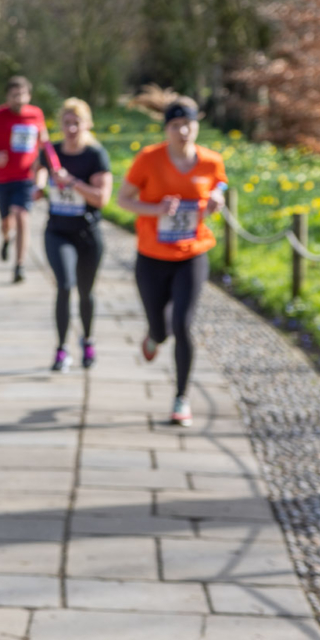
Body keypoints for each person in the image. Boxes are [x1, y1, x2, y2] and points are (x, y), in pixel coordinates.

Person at [117, 97, 226, 427]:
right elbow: (123, 199)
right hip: (151, 256)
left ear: (196, 126)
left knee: (182, 324)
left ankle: (181, 398)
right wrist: (158, 210)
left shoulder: (210, 160)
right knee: (161, 330)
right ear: (166, 129)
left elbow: (219, 181)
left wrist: (218, 197)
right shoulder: (149, 159)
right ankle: (153, 336)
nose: (183, 130)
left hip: (192, 254)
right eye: (176, 125)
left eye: (188, 124)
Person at [34, 98, 111, 372]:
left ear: (87, 124)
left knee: (86, 291)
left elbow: (102, 198)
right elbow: (41, 172)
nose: (71, 127)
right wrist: (39, 187)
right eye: (66, 122)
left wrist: (74, 183)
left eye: (76, 122)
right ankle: (61, 349)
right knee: (65, 286)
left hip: (87, 233)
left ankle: (88, 340)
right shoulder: (51, 150)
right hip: (57, 232)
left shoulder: (95, 155)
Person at [0, 75, 52, 283]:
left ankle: (20, 265)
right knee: (6, 221)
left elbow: (44, 141)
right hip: (2, 178)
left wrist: (44, 169)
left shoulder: (36, 114)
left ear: (28, 95)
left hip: (25, 177)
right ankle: (5, 239)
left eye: (22, 94)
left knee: (22, 216)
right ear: (7, 97)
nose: (19, 99)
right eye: (14, 95)